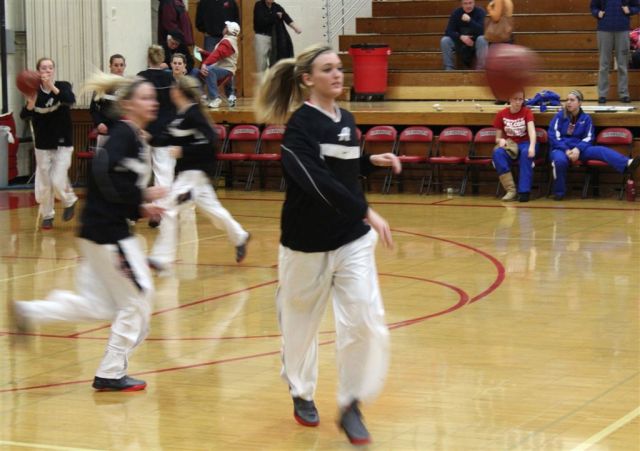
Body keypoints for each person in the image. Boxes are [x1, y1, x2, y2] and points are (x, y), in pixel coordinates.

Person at [255, 44, 401, 445]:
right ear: (307, 79)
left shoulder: (347, 119)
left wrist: (369, 162)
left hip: (350, 240)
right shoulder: (298, 128)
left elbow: (343, 169)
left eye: (339, 67)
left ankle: (351, 403)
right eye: (327, 69)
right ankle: (301, 390)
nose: (338, 74)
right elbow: (316, 181)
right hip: (305, 245)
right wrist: (365, 210)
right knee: (299, 329)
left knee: (365, 319)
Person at [11, 74, 167, 391]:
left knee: (100, 306)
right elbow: (101, 173)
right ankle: (111, 372)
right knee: (136, 301)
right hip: (109, 234)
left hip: (99, 231)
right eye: (145, 97)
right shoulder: (123, 135)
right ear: (128, 104)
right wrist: (139, 200)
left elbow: (114, 181)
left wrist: (139, 204)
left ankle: (30, 311)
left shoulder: (134, 137)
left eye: (153, 97)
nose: (152, 103)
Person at [148, 76, 250, 271]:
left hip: (194, 174)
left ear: (180, 92)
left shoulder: (195, 114)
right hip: (190, 175)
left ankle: (161, 258)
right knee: (213, 211)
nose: (171, 90)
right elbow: (166, 138)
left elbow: (211, 143)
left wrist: (184, 151)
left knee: (168, 209)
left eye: (174, 88)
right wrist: (148, 137)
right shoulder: (180, 116)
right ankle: (240, 236)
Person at [548, 89, 640, 200]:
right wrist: (566, 150)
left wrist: (577, 149)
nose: (568, 102)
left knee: (600, 150)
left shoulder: (586, 118)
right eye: (567, 100)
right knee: (560, 161)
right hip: (561, 149)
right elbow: (553, 136)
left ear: (579, 103)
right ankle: (559, 193)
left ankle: (627, 163)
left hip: (579, 149)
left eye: (572, 100)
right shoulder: (559, 116)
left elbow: (589, 137)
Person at [20, 57, 78, 230]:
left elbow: (70, 99)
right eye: (43, 68)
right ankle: (47, 216)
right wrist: (30, 103)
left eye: (50, 68)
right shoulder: (34, 91)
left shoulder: (63, 86)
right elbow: (24, 116)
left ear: (53, 71)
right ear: (38, 72)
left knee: (58, 179)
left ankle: (69, 201)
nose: (47, 70)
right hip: (43, 144)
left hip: (63, 143)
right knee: (44, 182)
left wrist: (51, 86)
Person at [138, 45, 177, 195]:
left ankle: (134, 207)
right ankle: (163, 207)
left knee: (140, 175)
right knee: (164, 176)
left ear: (148, 58)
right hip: (164, 133)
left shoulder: (141, 77)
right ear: (162, 59)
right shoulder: (170, 78)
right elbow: (173, 108)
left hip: (144, 132)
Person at [492, 90, 538, 202]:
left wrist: (532, 147)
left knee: (526, 154)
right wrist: (500, 140)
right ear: (509, 99)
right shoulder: (501, 114)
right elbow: (497, 138)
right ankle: (511, 190)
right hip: (510, 144)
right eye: (515, 99)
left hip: (525, 143)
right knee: (497, 153)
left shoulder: (527, 112)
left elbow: (532, 131)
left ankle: (524, 192)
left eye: (520, 99)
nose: (518, 102)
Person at [590, 0, 639, 103]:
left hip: (623, 31)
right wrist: (597, 13)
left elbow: (637, 6)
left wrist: (629, 10)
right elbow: (593, 7)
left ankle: (624, 94)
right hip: (604, 30)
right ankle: (602, 95)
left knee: (623, 65)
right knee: (604, 64)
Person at [253, 0, 302, 74]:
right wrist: (275, 16)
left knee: (275, 62)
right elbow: (261, 21)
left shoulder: (276, 6)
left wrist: (295, 28)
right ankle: (262, 80)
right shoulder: (259, 5)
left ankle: (273, 79)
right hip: (262, 37)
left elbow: (286, 17)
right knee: (261, 65)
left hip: (274, 38)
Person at [199, 21, 240, 108]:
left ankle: (215, 98)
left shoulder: (227, 42)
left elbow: (217, 55)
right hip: (223, 68)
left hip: (226, 69)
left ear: (228, 30)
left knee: (209, 70)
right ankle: (205, 97)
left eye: (226, 27)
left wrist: (205, 63)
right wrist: (204, 52)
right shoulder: (229, 41)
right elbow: (217, 55)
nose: (224, 28)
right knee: (197, 72)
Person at [90, 54, 127, 147]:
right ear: (110, 66)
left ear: (125, 66)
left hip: (123, 131)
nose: (119, 68)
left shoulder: (129, 86)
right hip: (105, 130)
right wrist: (99, 123)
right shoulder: (102, 85)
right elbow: (93, 108)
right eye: (116, 65)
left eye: (121, 65)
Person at [441, 0, 488, 70]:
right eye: (465, 3)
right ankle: (449, 68)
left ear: (474, 3)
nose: (468, 6)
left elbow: (482, 31)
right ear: (462, 4)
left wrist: (469, 20)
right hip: (460, 41)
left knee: (482, 39)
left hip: (475, 42)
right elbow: (448, 31)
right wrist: (461, 37)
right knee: (445, 40)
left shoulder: (480, 12)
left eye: (470, 3)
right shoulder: (456, 13)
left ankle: (481, 69)